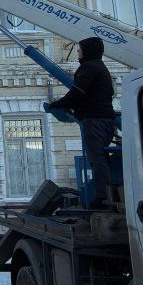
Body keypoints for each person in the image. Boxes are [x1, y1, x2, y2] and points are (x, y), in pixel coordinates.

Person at [44, 36, 116, 206]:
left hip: (95, 121)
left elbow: (77, 93)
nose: (78, 52)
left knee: (97, 159)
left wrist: (56, 104)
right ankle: (107, 194)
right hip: (105, 120)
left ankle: (103, 198)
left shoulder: (89, 68)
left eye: (80, 49)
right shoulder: (100, 67)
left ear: (88, 50)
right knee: (102, 159)